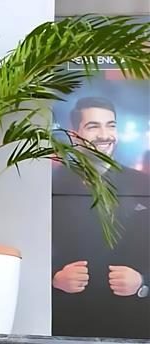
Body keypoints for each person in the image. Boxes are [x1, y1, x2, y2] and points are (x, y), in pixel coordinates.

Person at [52, 96, 150, 339]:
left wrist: (143, 282)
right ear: (75, 134)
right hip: (68, 324)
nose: (105, 135)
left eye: (111, 125)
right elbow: (29, 249)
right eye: (93, 126)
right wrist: (54, 278)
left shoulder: (144, 184)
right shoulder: (52, 185)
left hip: (133, 324)